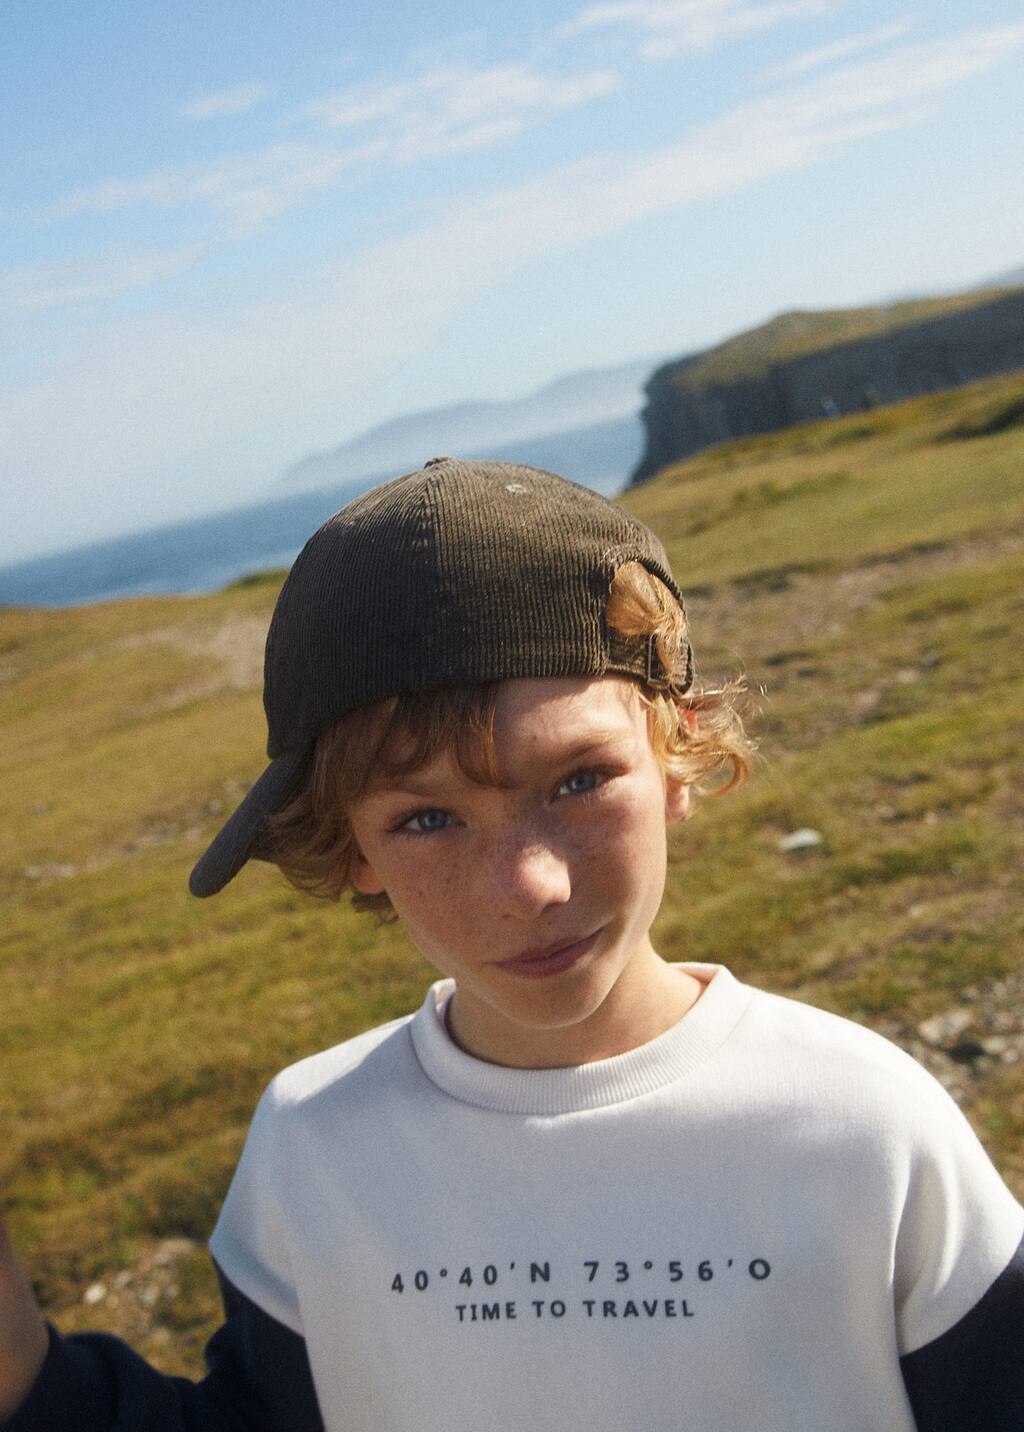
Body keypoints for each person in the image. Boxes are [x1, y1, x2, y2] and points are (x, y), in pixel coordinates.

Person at [1, 457, 1021, 1431]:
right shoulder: (310, 1148)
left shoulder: (864, 1130)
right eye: (426, 819)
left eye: (579, 780)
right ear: (349, 846)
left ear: (676, 758)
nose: (531, 883)